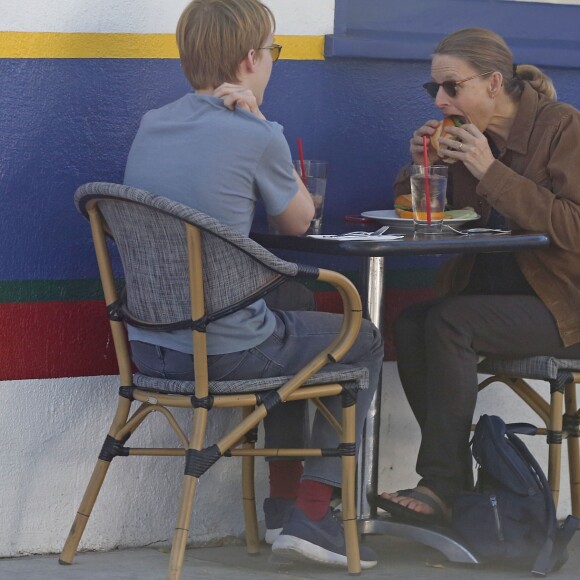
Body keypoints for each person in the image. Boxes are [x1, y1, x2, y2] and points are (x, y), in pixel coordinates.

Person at [122, 0, 383, 569]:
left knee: (288, 304)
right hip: (223, 356)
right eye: (272, 51)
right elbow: (297, 222)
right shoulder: (256, 133)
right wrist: (263, 124)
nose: (272, 61)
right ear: (249, 59)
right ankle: (313, 514)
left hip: (150, 349)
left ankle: (282, 506)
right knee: (360, 336)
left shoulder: (152, 123)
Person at [376, 27, 580, 525]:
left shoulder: (563, 128)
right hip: (492, 296)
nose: (441, 100)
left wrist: (492, 171)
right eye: (434, 90)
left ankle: (441, 484)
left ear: (493, 83)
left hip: (562, 304)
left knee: (449, 323)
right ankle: (455, 488)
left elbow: (573, 226)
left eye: (451, 87)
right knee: (412, 323)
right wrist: (419, 163)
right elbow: (430, 213)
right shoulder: (468, 138)